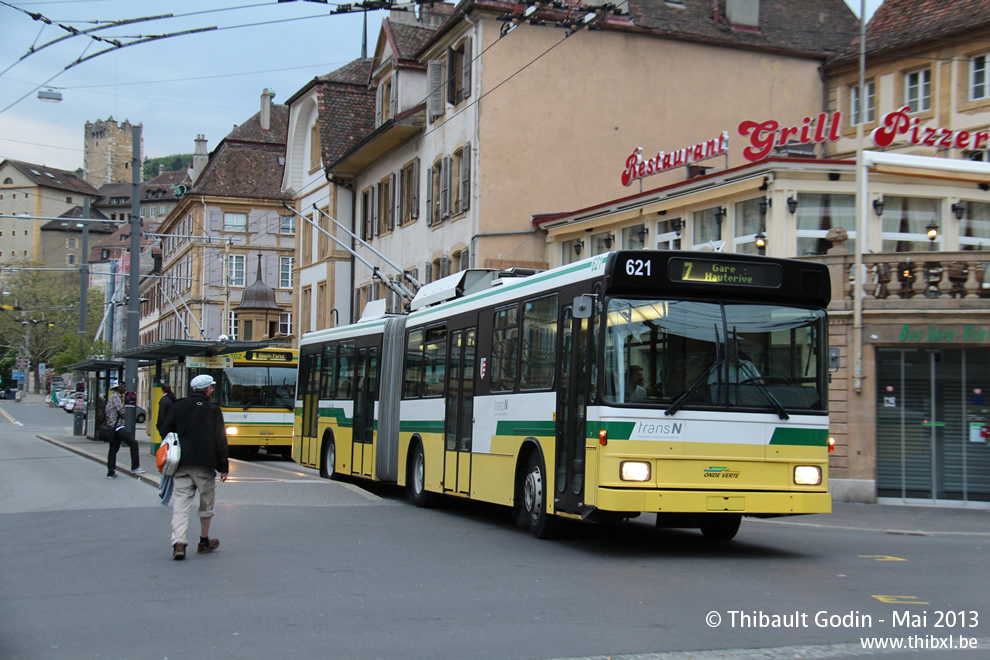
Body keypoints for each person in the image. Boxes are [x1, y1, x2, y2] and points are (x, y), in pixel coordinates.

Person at [159, 374, 229, 561]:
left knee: (181, 504)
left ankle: (179, 543)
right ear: (207, 390)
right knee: (206, 504)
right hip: (205, 465)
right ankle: (203, 541)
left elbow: (165, 429)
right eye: (211, 388)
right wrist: (224, 467)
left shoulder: (178, 406)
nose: (211, 391)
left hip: (181, 464)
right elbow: (220, 440)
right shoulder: (213, 410)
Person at [104, 383, 145, 479]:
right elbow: (121, 411)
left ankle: (110, 472)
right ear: (118, 387)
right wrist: (125, 413)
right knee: (133, 443)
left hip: (112, 427)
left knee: (113, 450)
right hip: (117, 427)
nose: (125, 388)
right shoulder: (116, 397)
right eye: (123, 386)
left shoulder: (112, 396)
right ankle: (135, 467)